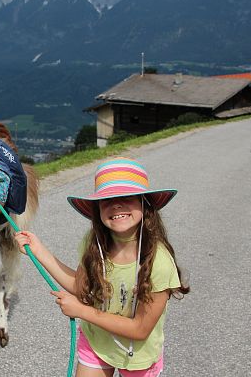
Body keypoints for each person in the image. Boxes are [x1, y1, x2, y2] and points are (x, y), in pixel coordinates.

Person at [15, 157, 189, 377]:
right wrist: (39, 251)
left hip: (137, 357)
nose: (116, 204)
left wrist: (81, 311)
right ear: (97, 209)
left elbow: (140, 329)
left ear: (145, 204)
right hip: (96, 342)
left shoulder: (160, 263)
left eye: (127, 197)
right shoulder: (94, 245)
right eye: (107, 199)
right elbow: (80, 288)